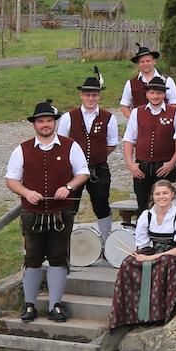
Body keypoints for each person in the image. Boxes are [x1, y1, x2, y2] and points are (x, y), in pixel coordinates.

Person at [7, 100, 90, 323]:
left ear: (54, 123)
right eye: (41, 121)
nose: (45, 124)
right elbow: (11, 180)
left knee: (58, 257)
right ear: (34, 124)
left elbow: (83, 173)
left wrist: (69, 187)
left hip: (61, 212)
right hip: (32, 213)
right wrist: (26, 192)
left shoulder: (70, 145)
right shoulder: (21, 149)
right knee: (32, 258)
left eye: (49, 120)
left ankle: (55, 305)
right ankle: (30, 305)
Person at [108, 179, 176, 328]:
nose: (161, 197)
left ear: (172, 194)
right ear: (152, 196)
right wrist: (140, 256)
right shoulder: (147, 215)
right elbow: (143, 244)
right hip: (153, 251)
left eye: (165, 193)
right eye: (157, 194)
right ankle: (131, 311)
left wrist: (151, 257)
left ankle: (157, 315)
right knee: (128, 263)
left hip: (173, 255)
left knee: (163, 264)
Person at [57, 72, 118, 245]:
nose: (91, 98)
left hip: (99, 169)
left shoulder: (108, 117)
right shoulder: (69, 117)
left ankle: (107, 242)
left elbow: (112, 144)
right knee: (69, 205)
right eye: (87, 95)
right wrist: (78, 163)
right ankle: (64, 243)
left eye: (94, 95)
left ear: (99, 96)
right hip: (72, 171)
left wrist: (96, 156)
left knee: (101, 204)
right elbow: (62, 143)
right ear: (81, 95)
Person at [122, 77, 176, 213]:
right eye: (152, 93)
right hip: (142, 166)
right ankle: (143, 231)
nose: (155, 96)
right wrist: (131, 164)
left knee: (165, 205)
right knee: (142, 206)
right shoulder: (137, 112)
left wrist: (171, 163)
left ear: (164, 94)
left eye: (159, 93)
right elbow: (128, 139)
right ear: (147, 94)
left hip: (165, 165)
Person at [118, 44, 176, 119]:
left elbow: (174, 103)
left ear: (154, 61)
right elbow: (124, 106)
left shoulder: (167, 81)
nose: (145, 64)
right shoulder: (130, 83)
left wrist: (166, 119)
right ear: (138, 64)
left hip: (163, 123)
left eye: (148, 61)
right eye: (142, 62)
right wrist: (134, 121)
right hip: (140, 126)